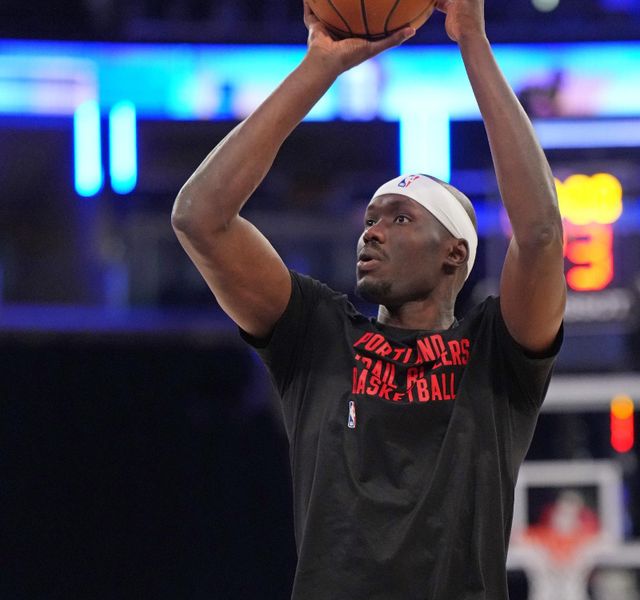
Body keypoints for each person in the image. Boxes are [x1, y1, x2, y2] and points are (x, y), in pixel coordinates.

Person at [171, 0, 566, 597]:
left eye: (400, 219)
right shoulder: (318, 335)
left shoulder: (496, 355)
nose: (372, 231)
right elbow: (199, 217)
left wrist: (472, 41)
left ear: (454, 254)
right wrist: (320, 68)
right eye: (371, 218)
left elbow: (538, 234)